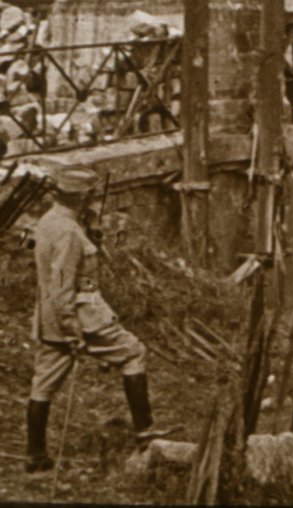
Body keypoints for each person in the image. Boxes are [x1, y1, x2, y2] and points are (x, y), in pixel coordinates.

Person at [25, 165, 167, 474]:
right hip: (79, 313)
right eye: (89, 195)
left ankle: (35, 454)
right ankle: (145, 431)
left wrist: (91, 229)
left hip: (48, 315)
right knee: (133, 352)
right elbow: (63, 280)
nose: (92, 200)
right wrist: (71, 327)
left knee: (44, 383)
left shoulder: (50, 221)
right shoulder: (68, 231)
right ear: (81, 197)